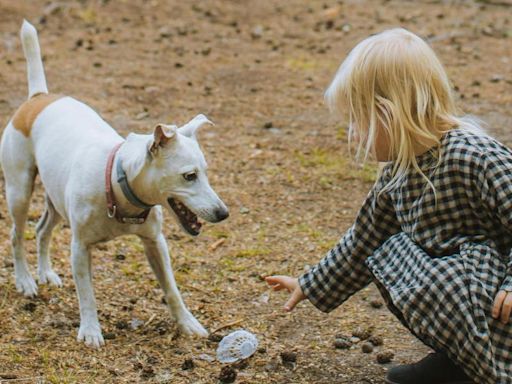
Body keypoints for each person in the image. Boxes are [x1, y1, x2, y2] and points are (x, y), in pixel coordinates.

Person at [266, 28, 512, 384]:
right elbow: (364, 240)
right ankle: (462, 360)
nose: (352, 133)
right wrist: (310, 283)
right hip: (476, 297)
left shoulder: (473, 154)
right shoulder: (399, 172)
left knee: (414, 264)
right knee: (390, 252)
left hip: (500, 299)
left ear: (390, 112)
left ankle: (491, 366)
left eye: (358, 119)